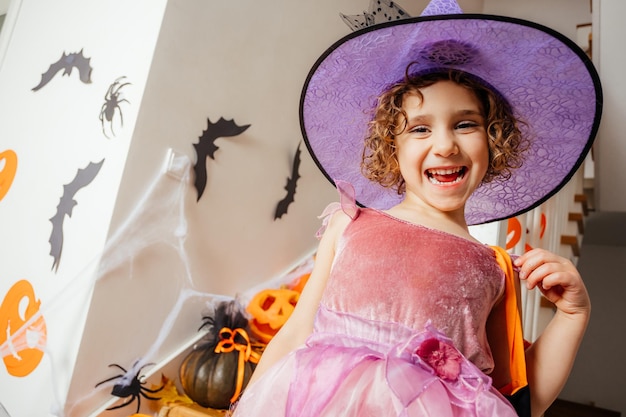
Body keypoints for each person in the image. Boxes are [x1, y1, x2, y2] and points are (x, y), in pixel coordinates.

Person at [232, 1, 602, 416]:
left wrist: (573, 314)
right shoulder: (350, 223)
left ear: (495, 140)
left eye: (466, 124)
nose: (445, 145)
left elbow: (522, 400)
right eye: (421, 128)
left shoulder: (496, 268)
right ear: (392, 148)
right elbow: (296, 333)